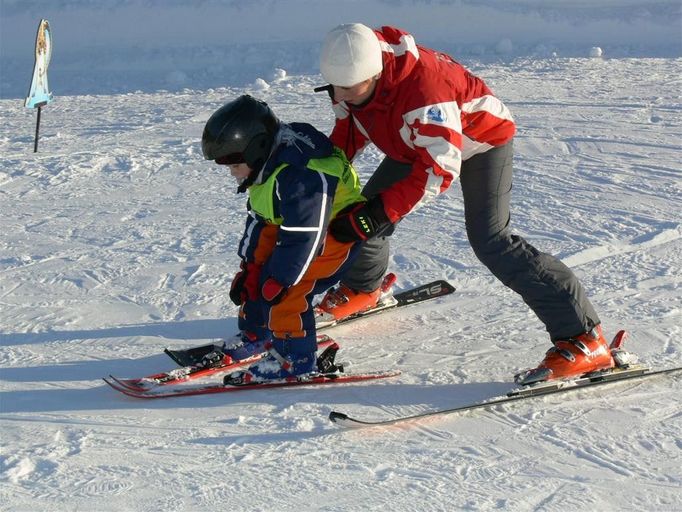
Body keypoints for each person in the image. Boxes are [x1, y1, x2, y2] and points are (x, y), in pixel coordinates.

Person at [315, 23, 617, 384]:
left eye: (351, 88)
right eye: (337, 88)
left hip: (480, 141)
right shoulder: (350, 74)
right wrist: (319, 176)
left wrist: (378, 214)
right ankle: (364, 287)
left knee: (491, 240)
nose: (343, 96)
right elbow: (349, 130)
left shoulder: (425, 91)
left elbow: (439, 170)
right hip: (413, 140)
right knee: (356, 209)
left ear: (376, 72)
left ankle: (584, 337)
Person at [201, 94, 365, 383]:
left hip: (335, 232)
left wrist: (282, 280)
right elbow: (260, 219)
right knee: (257, 279)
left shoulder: (300, 176)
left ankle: (295, 358)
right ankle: (258, 332)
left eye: (233, 161)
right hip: (299, 231)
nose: (231, 171)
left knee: (287, 293)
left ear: (257, 147)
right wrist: (249, 268)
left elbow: (306, 236)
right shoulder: (264, 168)